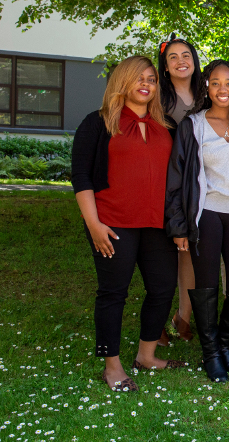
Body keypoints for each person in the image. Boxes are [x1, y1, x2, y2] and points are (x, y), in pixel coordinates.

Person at [71, 55, 187, 392]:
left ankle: (147, 355)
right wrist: (93, 223)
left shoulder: (166, 126)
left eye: (151, 79)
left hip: (156, 224)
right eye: (139, 78)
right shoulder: (97, 123)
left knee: (163, 288)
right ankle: (112, 367)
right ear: (122, 81)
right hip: (112, 224)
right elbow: (81, 177)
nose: (146, 84)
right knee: (113, 293)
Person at [165, 60, 229, 383]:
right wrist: (178, 225)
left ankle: (223, 343)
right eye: (215, 83)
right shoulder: (192, 126)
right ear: (206, 87)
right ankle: (211, 353)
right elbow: (177, 179)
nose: (222, 89)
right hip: (206, 215)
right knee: (206, 286)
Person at [156, 35, 203, 346]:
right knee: (159, 254)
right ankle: (156, 319)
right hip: (162, 179)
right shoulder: (157, 98)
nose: (180, 61)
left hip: (198, 181)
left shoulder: (206, 95)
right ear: (165, 65)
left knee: (188, 249)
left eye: (185, 54)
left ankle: (183, 315)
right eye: (172, 57)